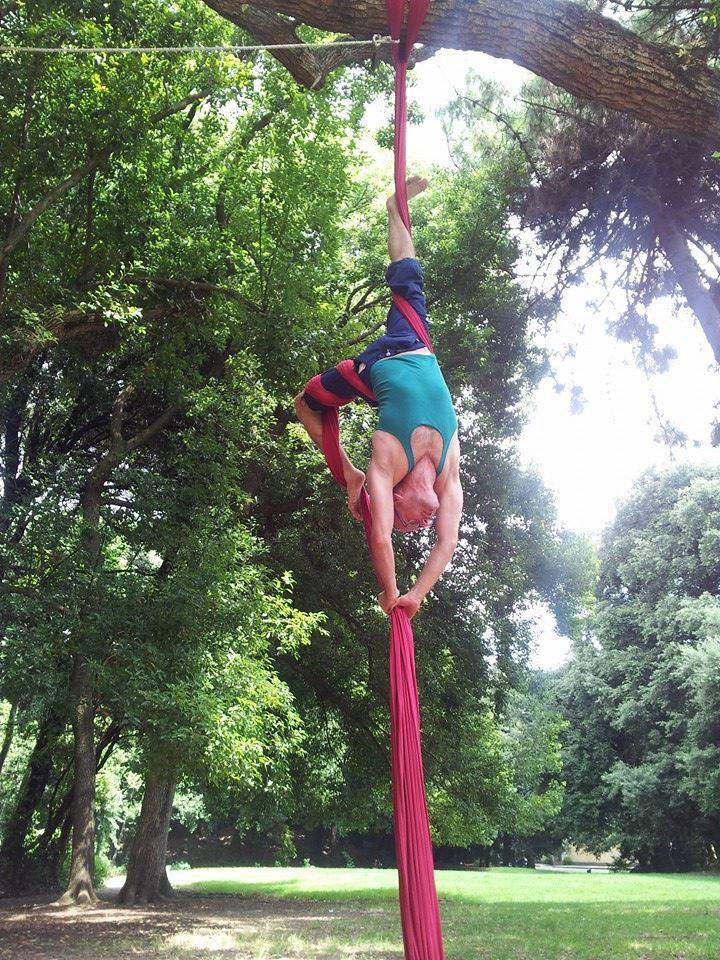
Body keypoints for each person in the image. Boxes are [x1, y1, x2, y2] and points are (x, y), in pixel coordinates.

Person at [295, 176, 462, 620]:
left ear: (394, 495)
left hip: (374, 368)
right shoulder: (448, 470)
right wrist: (416, 596)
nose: (415, 525)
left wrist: (391, 594)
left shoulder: (388, 460)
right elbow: (448, 543)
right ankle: (395, 207)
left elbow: (381, 537)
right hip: (417, 346)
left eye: (404, 519)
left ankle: (347, 474)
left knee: (305, 402)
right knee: (411, 277)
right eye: (412, 525)